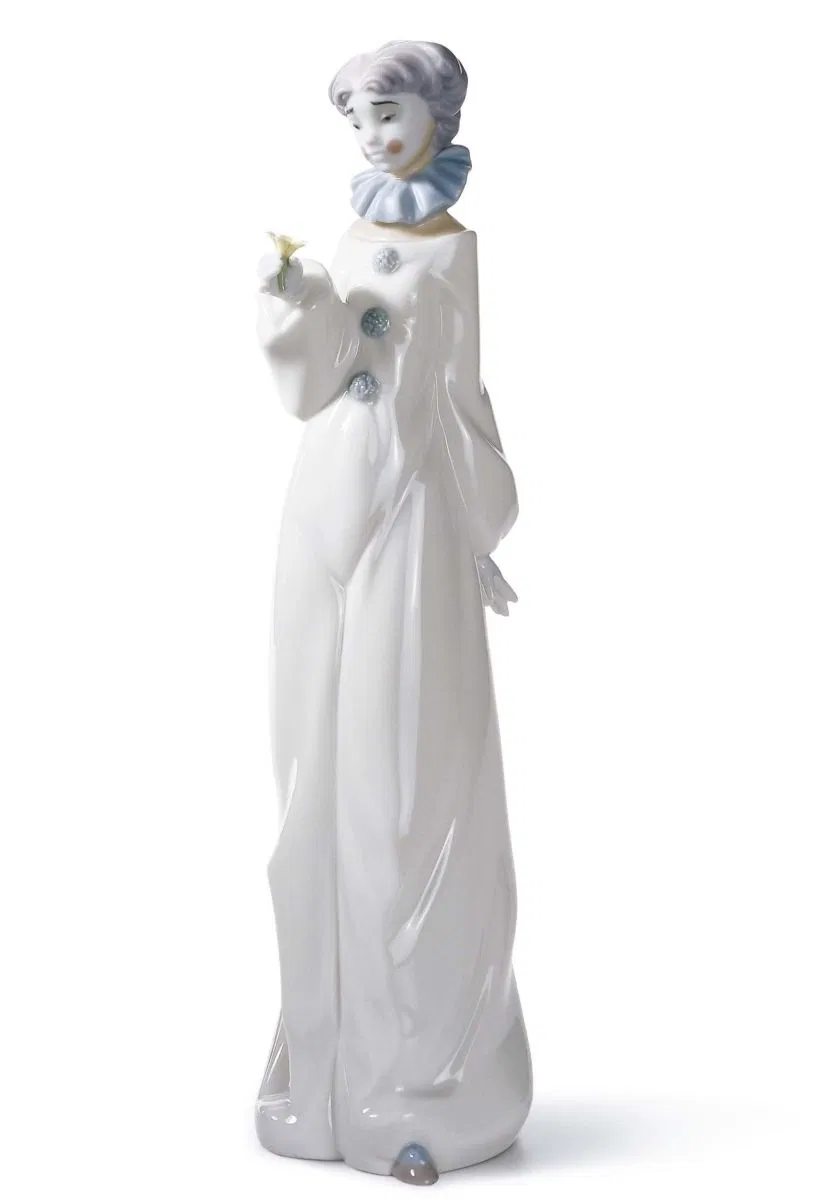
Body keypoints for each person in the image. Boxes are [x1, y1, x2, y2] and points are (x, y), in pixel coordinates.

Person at [255, 40, 531, 1185]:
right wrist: (299, 306)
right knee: (316, 777)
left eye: (391, 114)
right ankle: (321, 1079)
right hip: (328, 498)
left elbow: (462, 392)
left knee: (403, 792)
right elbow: (320, 381)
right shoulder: (352, 231)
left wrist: (475, 527)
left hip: (409, 513)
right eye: (361, 119)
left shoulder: (456, 250)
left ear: (435, 119)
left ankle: (417, 1087)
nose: (375, 136)